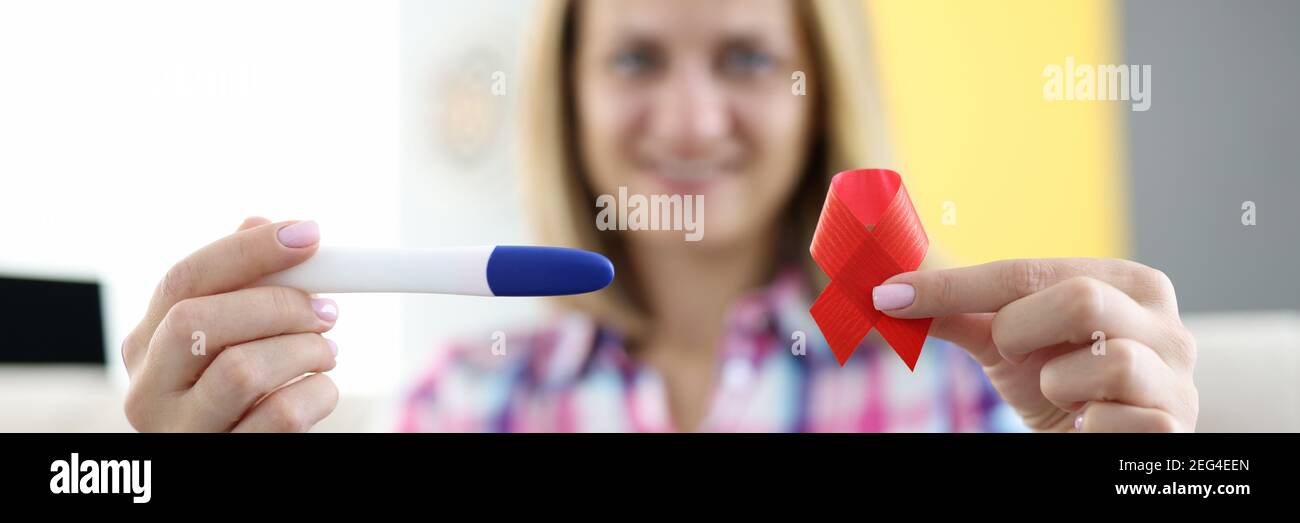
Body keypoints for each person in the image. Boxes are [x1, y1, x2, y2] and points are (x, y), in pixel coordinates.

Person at [120, 0, 1198, 433]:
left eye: (744, 58)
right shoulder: (463, 403)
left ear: (815, 89)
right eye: (636, 57)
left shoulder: (966, 386)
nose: (690, 120)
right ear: (568, 100)